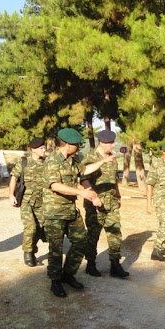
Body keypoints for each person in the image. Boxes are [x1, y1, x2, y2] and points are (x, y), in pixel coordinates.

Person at [43, 128, 118, 298]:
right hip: (54, 211)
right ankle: (55, 281)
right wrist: (81, 193)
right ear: (68, 144)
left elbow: (82, 171)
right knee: (56, 248)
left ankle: (68, 274)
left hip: (70, 209)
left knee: (81, 241)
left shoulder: (73, 158)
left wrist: (103, 162)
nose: (78, 147)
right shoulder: (52, 160)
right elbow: (54, 185)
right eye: (76, 144)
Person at [81, 129, 129, 279]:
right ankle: (90, 264)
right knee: (93, 234)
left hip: (112, 202)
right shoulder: (89, 158)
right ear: (102, 143)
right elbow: (83, 179)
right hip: (95, 203)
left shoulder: (112, 158)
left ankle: (115, 264)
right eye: (111, 143)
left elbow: (114, 179)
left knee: (115, 232)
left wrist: (118, 195)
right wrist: (93, 196)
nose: (113, 144)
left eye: (113, 142)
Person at [9, 137, 48, 267]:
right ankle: (27, 252)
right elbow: (14, 178)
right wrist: (11, 195)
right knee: (30, 226)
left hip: (42, 201)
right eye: (41, 148)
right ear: (33, 149)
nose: (44, 150)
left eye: (44, 147)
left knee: (40, 228)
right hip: (27, 201)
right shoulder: (24, 162)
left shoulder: (46, 163)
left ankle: (32, 249)